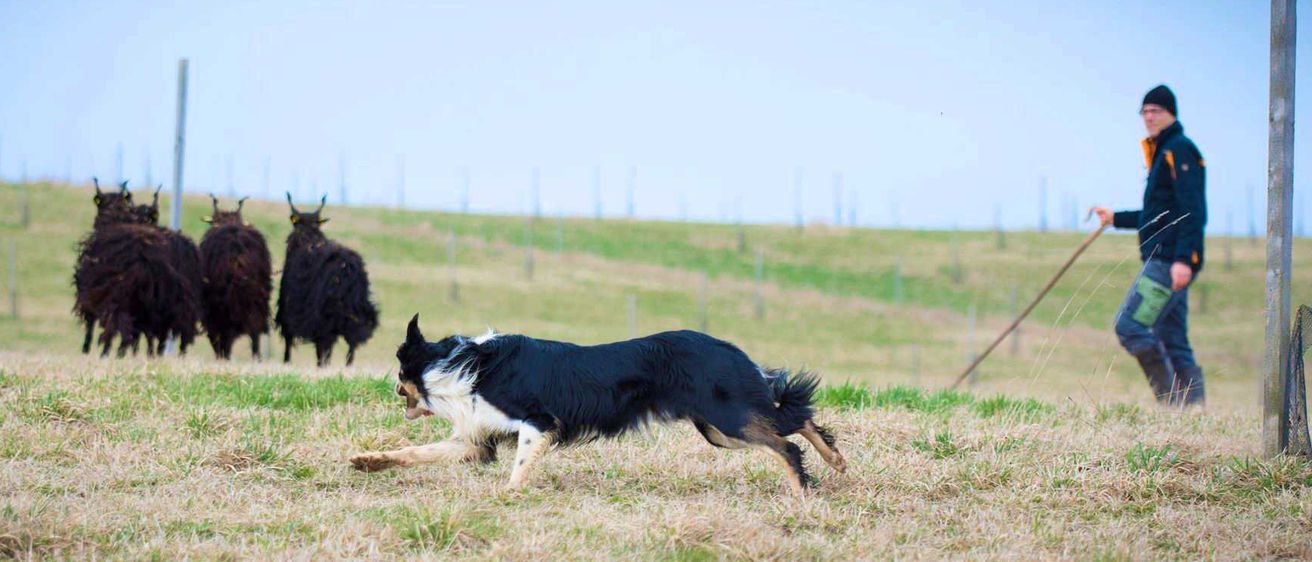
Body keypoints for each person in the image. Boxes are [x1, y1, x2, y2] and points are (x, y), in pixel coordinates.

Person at [1092, 85, 1206, 407]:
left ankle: (1171, 404)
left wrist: (1184, 259)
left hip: (1169, 262)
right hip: (1167, 259)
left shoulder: (1178, 150)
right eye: (1145, 111)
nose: (1149, 116)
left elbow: (1191, 209)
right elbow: (1157, 215)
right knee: (1172, 339)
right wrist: (1116, 218)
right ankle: (1194, 410)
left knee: (1129, 326)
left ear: (1171, 113)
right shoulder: (1162, 151)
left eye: (1156, 110)